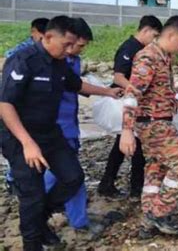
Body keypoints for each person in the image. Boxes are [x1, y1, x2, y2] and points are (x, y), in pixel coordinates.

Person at [0, 15, 121, 251]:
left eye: (72, 45)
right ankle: (32, 244)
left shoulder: (60, 62)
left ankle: (42, 216)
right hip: (19, 136)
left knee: (73, 177)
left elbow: (76, 84)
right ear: (48, 37)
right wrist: (27, 143)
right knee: (31, 194)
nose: (70, 50)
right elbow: (5, 105)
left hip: (50, 132)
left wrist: (107, 92)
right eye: (66, 44)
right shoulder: (23, 60)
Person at [119, 16, 178, 238]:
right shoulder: (148, 57)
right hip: (154, 124)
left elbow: (161, 89)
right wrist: (126, 130)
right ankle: (159, 212)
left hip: (159, 120)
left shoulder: (164, 57)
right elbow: (132, 94)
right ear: (171, 35)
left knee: (156, 168)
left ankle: (147, 223)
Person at [42, 18, 103, 235]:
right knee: (70, 175)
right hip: (57, 128)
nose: (76, 50)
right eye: (77, 45)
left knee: (62, 174)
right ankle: (77, 220)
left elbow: (77, 86)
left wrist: (107, 91)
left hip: (70, 125)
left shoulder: (72, 60)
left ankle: (44, 212)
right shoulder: (48, 61)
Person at [98, 15, 163, 199]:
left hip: (135, 103)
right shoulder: (130, 48)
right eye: (154, 35)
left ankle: (121, 185)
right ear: (146, 30)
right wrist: (136, 91)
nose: (155, 40)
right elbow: (118, 77)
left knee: (130, 146)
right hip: (126, 103)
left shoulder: (143, 49)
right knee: (129, 145)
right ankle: (126, 186)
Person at [3, 18, 50, 194]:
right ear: (34, 32)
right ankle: (12, 181)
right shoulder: (22, 53)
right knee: (19, 155)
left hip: (32, 112)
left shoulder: (48, 54)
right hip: (15, 104)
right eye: (41, 35)